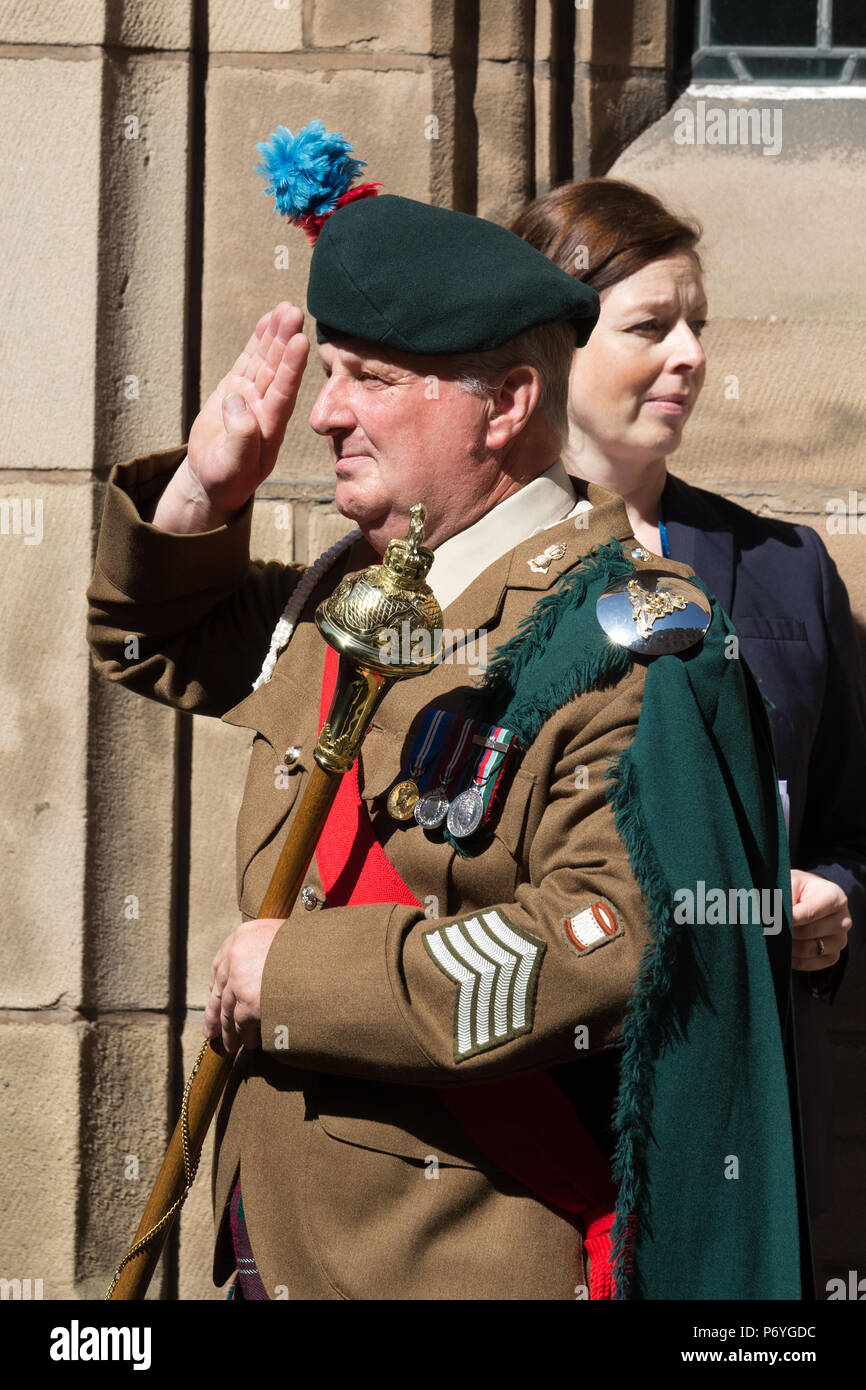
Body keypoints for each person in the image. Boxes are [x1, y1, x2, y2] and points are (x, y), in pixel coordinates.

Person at [86, 138, 809, 1300]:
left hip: (450, 1262)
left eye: (370, 378)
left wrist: (300, 978)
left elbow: (607, 943)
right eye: (330, 374)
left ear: (506, 404)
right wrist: (202, 494)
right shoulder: (349, 592)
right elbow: (141, 644)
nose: (324, 416)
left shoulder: (630, 636)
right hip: (275, 1241)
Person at [513, 177, 866, 1217]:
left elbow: (847, 816)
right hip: (531, 1098)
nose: (691, 357)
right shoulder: (469, 564)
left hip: (740, 1095)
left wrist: (835, 895)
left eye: (696, 326)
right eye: (650, 326)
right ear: (555, 344)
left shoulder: (784, 565)